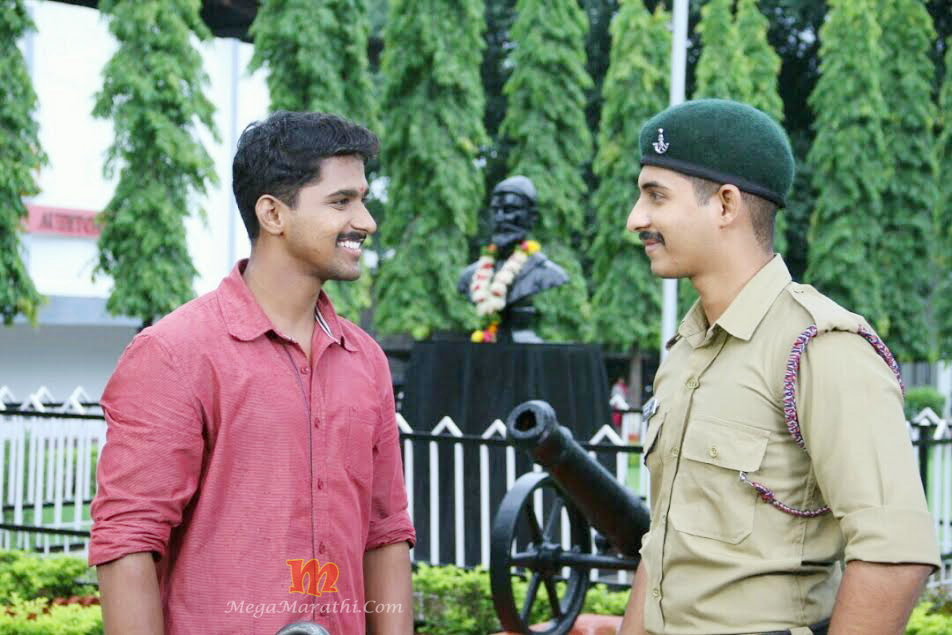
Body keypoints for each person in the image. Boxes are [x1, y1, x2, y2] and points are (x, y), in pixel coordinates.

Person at [618, 99, 940, 635]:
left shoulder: (820, 348)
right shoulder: (686, 353)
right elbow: (663, 548)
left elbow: (893, 555)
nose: (636, 219)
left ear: (725, 205)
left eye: (656, 196)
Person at [90, 111, 415, 635]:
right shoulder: (175, 354)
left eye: (362, 199)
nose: (366, 221)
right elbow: (129, 541)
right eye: (341, 201)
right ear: (273, 214)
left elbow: (386, 533)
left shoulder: (365, 360)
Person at [458, 175, 568, 342]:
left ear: (532, 217)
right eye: (495, 210)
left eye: (509, 210)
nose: (500, 217)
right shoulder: (470, 276)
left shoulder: (548, 273)